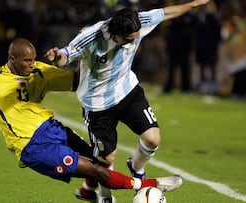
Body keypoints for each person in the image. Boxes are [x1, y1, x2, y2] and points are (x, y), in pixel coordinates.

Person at [0, 38, 182, 201]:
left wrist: (101, 57)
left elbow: (78, 80)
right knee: (98, 171)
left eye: (34, 59)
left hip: (52, 128)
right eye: (26, 61)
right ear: (11, 59)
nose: (32, 64)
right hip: (32, 145)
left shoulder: (41, 72)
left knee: (101, 162)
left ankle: (91, 195)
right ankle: (148, 186)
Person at [44, 0, 209, 201]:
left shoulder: (139, 21)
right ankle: (104, 195)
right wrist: (56, 57)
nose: (133, 43)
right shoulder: (92, 37)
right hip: (97, 104)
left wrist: (194, 4)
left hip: (127, 91)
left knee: (152, 138)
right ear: (116, 35)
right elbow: (66, 56)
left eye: (135, 38)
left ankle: (137, 168)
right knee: (106, 159)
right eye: (129, 40)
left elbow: (167, 13)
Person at [163, 7, 196, 93]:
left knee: (185, 68)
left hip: (184, 46)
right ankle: (169, 86)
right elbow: (168, 25)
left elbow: (193, 29)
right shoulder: (175, 12)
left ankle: (186, 87)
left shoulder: (190, 15)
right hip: (174, 45)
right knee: (171, 68)